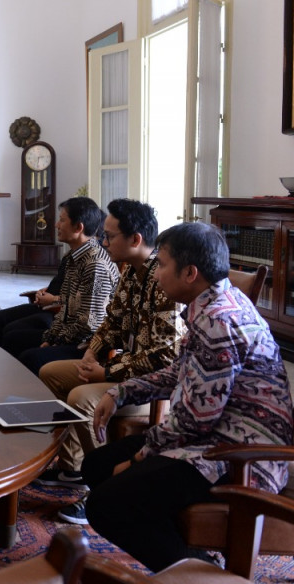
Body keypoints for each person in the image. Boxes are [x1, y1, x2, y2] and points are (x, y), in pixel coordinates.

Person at [82, 222, 294, 573]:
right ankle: (183, 553)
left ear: (190, 273)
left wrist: (138, 460)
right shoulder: (214, 303)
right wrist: (121, 391)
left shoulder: (219, 323)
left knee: (106, 504)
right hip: (212, 438)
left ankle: (198, 574)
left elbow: (195, 420)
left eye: (162, 265)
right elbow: (181, 374)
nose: (156, 274)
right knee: (97, 466)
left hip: (241, 458)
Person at [36, 198, 183, 523]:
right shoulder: (131, 271)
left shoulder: (163, 282)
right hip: (122, 370)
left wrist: (106, 369)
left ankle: (102, 487)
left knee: (81, 398)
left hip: (150, 387)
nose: (102, 242)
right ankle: (71, 467)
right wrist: (92, 352)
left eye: (110, 236)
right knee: (50, 372)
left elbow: (163, 359)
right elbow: (111, 322)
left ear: (135, 240)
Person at [9, 197, 120, 372]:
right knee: (13, 337)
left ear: (78, 227)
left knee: (29, 357)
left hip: (87, 345)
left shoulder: (95, 265)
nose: (56, 225)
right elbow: (66, 309)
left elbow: (89, 324)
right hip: (70, 335)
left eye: (62, 220)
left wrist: (56, 342)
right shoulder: (73, 257)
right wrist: (50, 338)